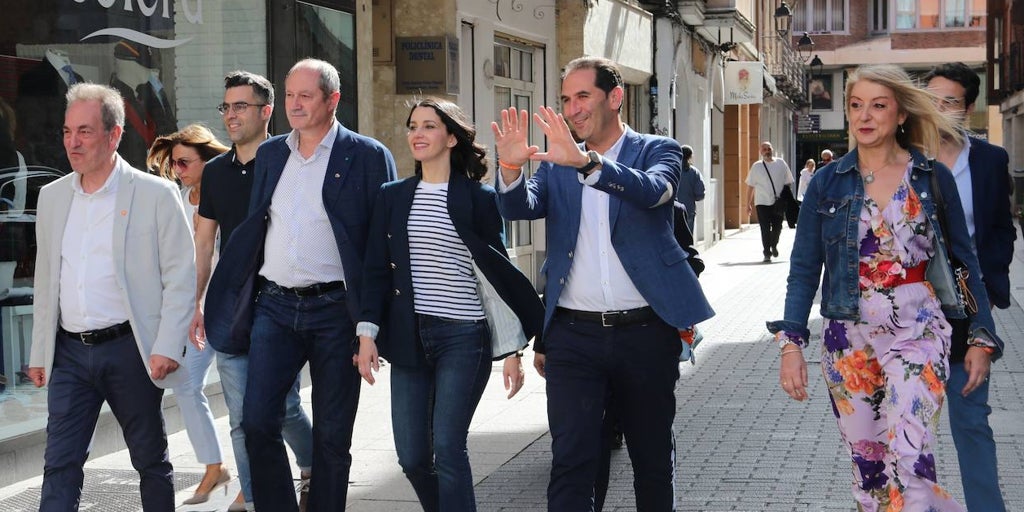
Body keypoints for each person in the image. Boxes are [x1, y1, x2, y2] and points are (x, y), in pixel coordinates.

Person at [768, 64, 1004, 511]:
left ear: (901, 114)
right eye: (856, 105)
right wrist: (791, 343)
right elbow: (803, 270)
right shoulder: (827, 182)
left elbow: (964, 262)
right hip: (847, 338)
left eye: (878, 106)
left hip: (919, 330)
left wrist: (980, 335)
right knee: (870, 471)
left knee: (911, 463)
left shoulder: (931, 176)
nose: (865, 115)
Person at [492, 56, 714, 511]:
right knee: (572, 461)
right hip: (574, 336)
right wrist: (511, 169)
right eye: (565, 99)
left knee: (651, 458)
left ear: (615, 97)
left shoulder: (658, 149)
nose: (572, 109)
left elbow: (655, 191)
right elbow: (519, 208)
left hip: (647, 333)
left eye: (582, 96)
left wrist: (588, 164)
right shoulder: (557, 162)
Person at [203, 59, 397, 512]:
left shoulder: (367, 156)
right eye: (290, 95)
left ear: (333, 100)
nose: (294, 104)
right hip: (274, 306)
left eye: (305, 96)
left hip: (336, 312)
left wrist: (369, 326)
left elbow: (380, 249)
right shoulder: (273, 154)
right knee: (256, 422)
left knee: (332, 437)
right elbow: (256, 226)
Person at [355, 97, 544, 511]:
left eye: (428, 126)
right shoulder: (392, 196)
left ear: (452, 138)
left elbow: (497, 274)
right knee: (411, 457)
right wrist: (367, 334)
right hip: (408, 335)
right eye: (413, 126)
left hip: (464, 336)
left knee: (448, 446)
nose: (417, 134)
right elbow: (375, 270)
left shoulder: (478, 198)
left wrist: (512, 350)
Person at [27, 83, 195, 511]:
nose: (73, 142)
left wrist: (166, 345)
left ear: (114, 134)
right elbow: (47, 280)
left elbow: (180, 276)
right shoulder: (51, 197)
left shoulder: (155, 194)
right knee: (59, 463)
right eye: (67, 132)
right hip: (69, 354)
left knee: (150, 460)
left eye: (84, 131)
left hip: (130, 350)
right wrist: (40, 352)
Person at [191, 70, 315, 512]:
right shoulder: (214, 172)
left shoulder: (288, 163)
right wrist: (196, 302)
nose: (230, 115)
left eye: (240, 106)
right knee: (242, 419)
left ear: (267, 112)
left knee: (283, 409)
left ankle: (313, 464)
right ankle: (260, 499)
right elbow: (204, 242)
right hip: (230, 307)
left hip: (280, 305)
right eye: (226, 106)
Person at [924, 61, 1016, 512]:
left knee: (971, 420)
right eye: (932, 100)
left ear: (969, 107)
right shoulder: (902, 157)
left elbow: (1001, 229)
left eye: (950, 102)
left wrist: (989, 289)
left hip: (968, 307)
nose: (939, 109)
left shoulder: (990, 160)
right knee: (906, 427)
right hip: (909, 309)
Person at [146, 124, 232, 506]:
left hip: (227, 308)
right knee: (187, 385)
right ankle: (215, 466)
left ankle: (259, 473)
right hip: (191, 311)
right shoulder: (178, 199)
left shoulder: (225, 197)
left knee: (247, 399)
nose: (178, 170)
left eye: (185, 162)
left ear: (207, 160)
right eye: (174, 163)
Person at [746, 141, 794, 262]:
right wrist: (748, 204)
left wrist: (785, 198)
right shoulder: (756, 166)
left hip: (778, 202)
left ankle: (773, 245)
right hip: (762, 202)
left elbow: (788, 182)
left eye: (769, 149)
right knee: (765, 228)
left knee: (778, 227)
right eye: (764, 149)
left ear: (772, 150)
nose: (767, 151)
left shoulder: (781, 163)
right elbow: (750, 186)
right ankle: (767, 252)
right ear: (760, 152)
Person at [675, 144, 705, 230]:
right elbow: (700, 194)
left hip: (673, 209)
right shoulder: (694, 172)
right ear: (690, 156)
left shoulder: (673, 170)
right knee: (687, 235)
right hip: (688, 209)